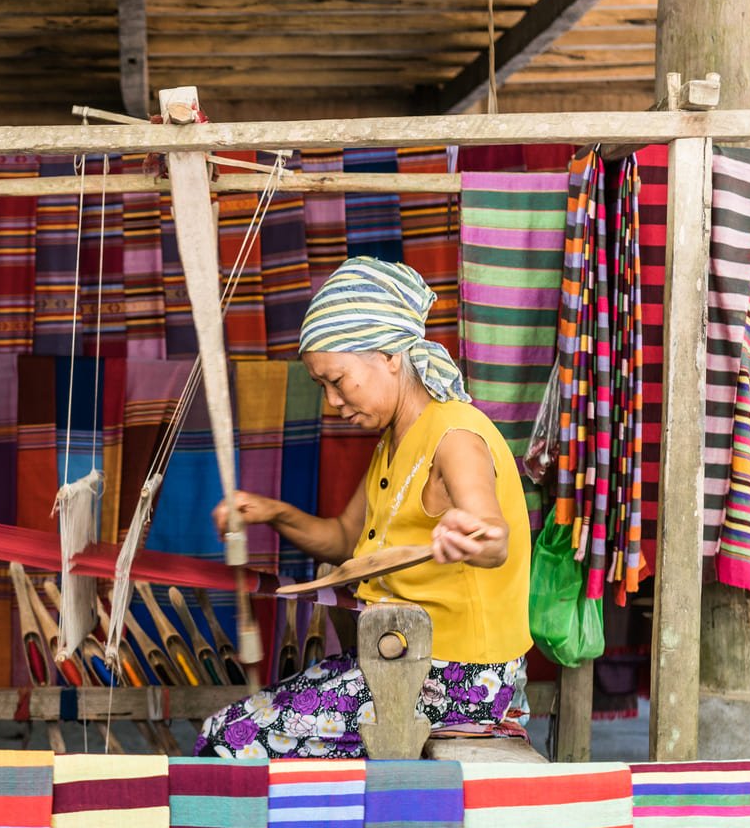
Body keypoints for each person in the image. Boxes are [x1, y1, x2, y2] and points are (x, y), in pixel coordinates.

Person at [195, 256, 533, 759]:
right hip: (405, 659)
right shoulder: (392, 444)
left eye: (338, 379)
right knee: (241, 719)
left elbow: (492, 534)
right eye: (321, 385)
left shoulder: (455, 434)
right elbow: (341, 538)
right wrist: (273, 512)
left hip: (458, 680)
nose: (332, 400)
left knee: (227, 740)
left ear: (390, 356)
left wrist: (476, 533)